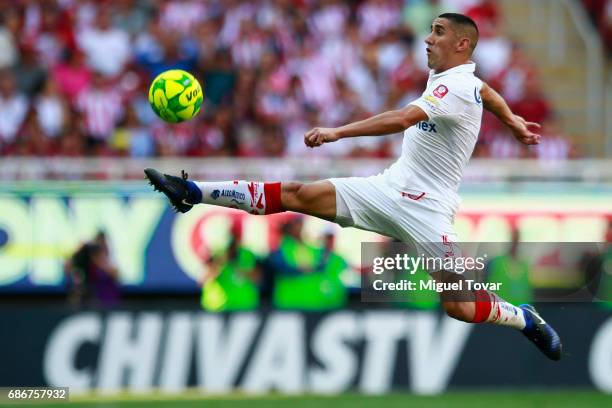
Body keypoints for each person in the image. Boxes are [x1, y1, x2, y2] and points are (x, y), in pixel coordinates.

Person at [145, 13, 561, 360]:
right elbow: (488, 93)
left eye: (438, 32)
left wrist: (337, 132)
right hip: (390, 188)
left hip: (430, 210)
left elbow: (401, 119)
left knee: (461, 307)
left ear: (462, 45)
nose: (427, 39)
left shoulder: (453, 85)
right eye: (430, 30)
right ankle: (192, 192)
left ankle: (523, 317)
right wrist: (512, 122)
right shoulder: (463, 81)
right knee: (297, 194)